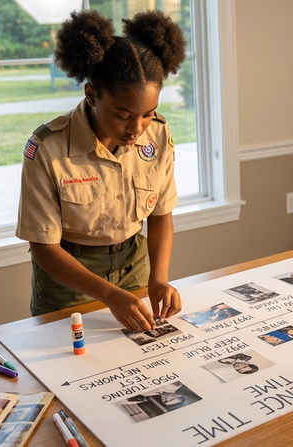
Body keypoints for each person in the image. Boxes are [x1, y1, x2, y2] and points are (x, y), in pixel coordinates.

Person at [16, 10, 187, 331]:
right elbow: (44, 248)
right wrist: (110, 294)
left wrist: (159, 278)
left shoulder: (158, 135)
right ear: (91, 94)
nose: (136, 128)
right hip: (68, 277)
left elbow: (161, 215)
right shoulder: (48, 147)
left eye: (149, 113)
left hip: (134, 264)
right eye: (123, 114)